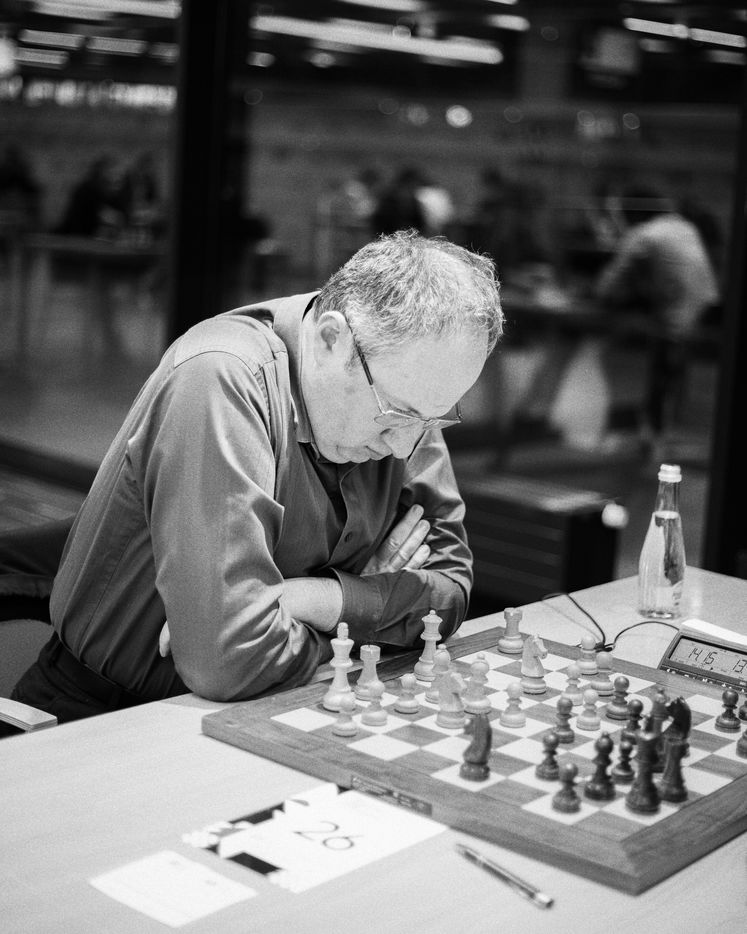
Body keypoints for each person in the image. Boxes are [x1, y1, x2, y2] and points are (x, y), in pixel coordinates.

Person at [4, 231, 503, 732]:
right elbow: (228, 660)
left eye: (435, 420)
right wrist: (368, 617)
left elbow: (450, 591)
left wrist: (313, 598)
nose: (406, 446)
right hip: (109, 723)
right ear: (331, 340)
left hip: (286, 710)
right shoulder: (221, 377)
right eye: (395, 415)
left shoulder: (407, 396)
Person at [595, 186, 719, 454]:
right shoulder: (684, 226)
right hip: (706, 307)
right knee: (670, 374)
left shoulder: (645, 233)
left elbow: (610, 282)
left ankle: (653, 437)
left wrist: (601, 294)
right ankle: (658, 432)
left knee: (656, 373)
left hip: (676, 315)